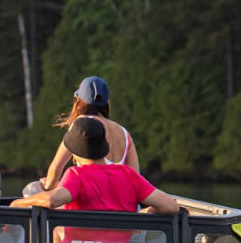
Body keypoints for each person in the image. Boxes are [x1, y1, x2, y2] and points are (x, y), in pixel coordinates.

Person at [10, 116, 178, 214]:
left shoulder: (76, 175)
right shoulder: (129, 175)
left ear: (75, 152)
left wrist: (17, 204)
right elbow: (171, 206)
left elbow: (53, 200)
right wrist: (145, 213)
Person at [37, 76, 137, 193]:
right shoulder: (124, 133)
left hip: (89, 200)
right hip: (118, 203)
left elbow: (56, 167)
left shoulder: (82, 125)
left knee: (32, 189)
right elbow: (135, 178)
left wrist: (47, 188)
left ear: (78, 101)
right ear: (107, 103)